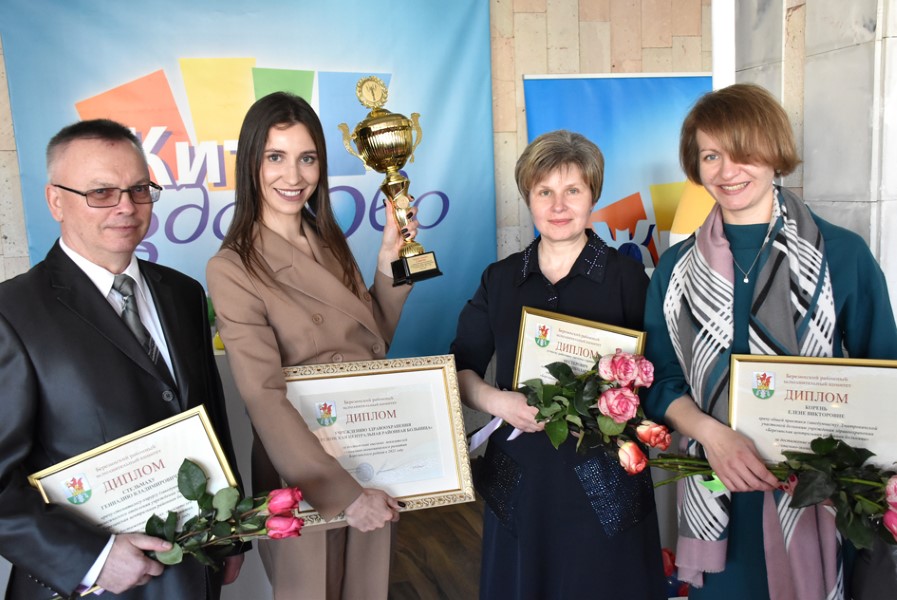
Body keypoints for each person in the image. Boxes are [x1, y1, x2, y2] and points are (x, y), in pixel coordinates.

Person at [642, 83, 897, 600]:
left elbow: (884, 375)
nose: (727, 171)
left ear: (775, 153)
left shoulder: (842, 255)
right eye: (711, 155)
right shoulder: (675, 269)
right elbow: (661, 380)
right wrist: (713, 436)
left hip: (820, 503)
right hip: (718, 497)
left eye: (744, 152)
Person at [0, 119, 245, 599]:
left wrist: (230, 533)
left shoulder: (183, 293)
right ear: (55, 201)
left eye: (138, 189)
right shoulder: (11, 313)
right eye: (101, 193)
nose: (127, 207)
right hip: (92, 587)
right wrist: (91, 558)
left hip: (194, 569)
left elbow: (210, 417)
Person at [207, 91, 416, 600]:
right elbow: (262, 395)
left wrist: (390, 259)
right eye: (275, 157)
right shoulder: (232, 267)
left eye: (307, 158)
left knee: (367, 589)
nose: (293, 175)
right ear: (251, 164)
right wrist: (342, 494)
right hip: (302, 468)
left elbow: (372, 343)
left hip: (367, 450)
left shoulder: (329, 242)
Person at [451, 130, 666, 599]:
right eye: (544, 192)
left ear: (593, 195)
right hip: (520, 477)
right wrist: (499, 402)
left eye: (573, 190)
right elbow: (460, 369)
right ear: (528, 197)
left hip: (605, 479)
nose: (558, 205)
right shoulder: (500, 278)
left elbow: (659, 375)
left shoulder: (628, 278)